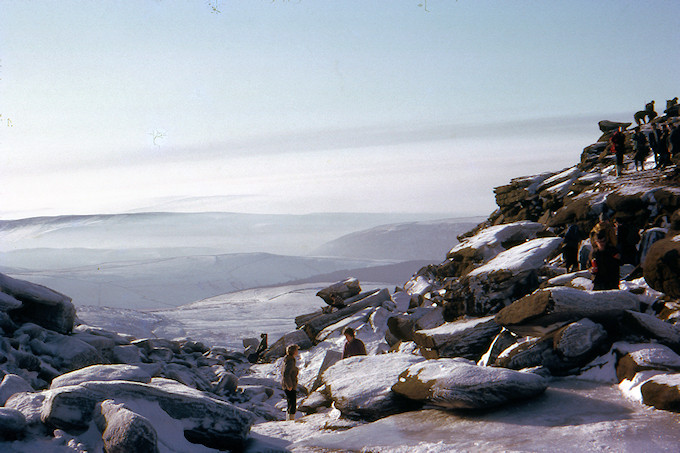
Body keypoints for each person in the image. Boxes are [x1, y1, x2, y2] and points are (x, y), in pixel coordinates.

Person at [590, 225, 621, 291]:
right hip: (599, 280)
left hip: (611, 280)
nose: (601, 244)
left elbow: (620, 262)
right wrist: (592, 270)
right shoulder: (594, 253)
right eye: (599, 242)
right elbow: (589, 265)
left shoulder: (612, 250)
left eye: (603, 241)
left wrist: (618, 258)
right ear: (596, 242)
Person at [281, 344, 299, 421]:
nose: (297, 351)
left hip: (287, 384)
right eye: (296, 350)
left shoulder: (288, 359)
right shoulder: (290, 361)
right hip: (290, 384)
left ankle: (288, 419)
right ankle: (290, 421)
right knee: (292, 403)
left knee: (290, 402)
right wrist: (289, 385)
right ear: (293, 351)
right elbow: (286, 373)